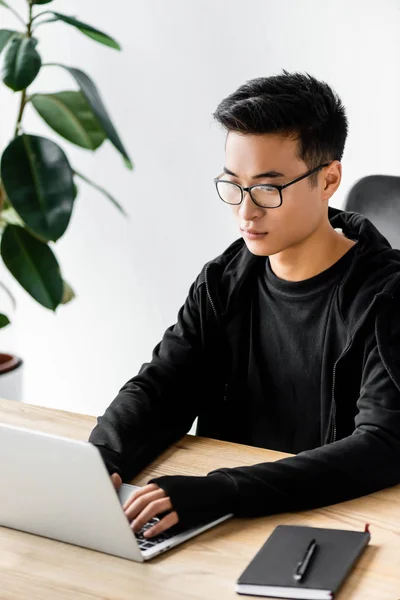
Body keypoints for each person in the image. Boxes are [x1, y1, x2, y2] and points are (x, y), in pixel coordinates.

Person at [89, 70, 400, 541]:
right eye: (233, 185)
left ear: (329, 179)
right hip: (225, 523)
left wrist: (221, 492)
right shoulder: (224, 281)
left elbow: (381, 446)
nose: (245, 212)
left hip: (330, 526)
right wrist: (98, 462)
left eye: (268, 188)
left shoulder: (388, 296)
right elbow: (162, 387)